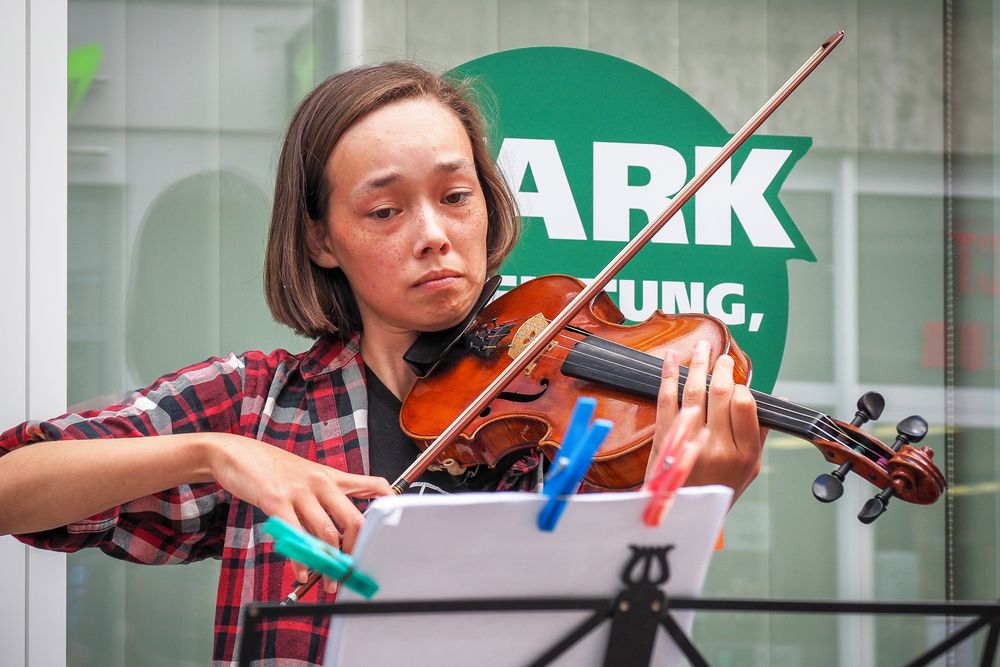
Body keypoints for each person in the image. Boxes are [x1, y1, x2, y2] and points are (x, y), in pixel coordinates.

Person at [0, 61, 764, 665]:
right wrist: (220, 452)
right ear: (321, 239)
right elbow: (11, 486)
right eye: (385, 210)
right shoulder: (262, 404)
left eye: (456, 195)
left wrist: (700, 498)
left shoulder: (578, 421)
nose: (433, 233)